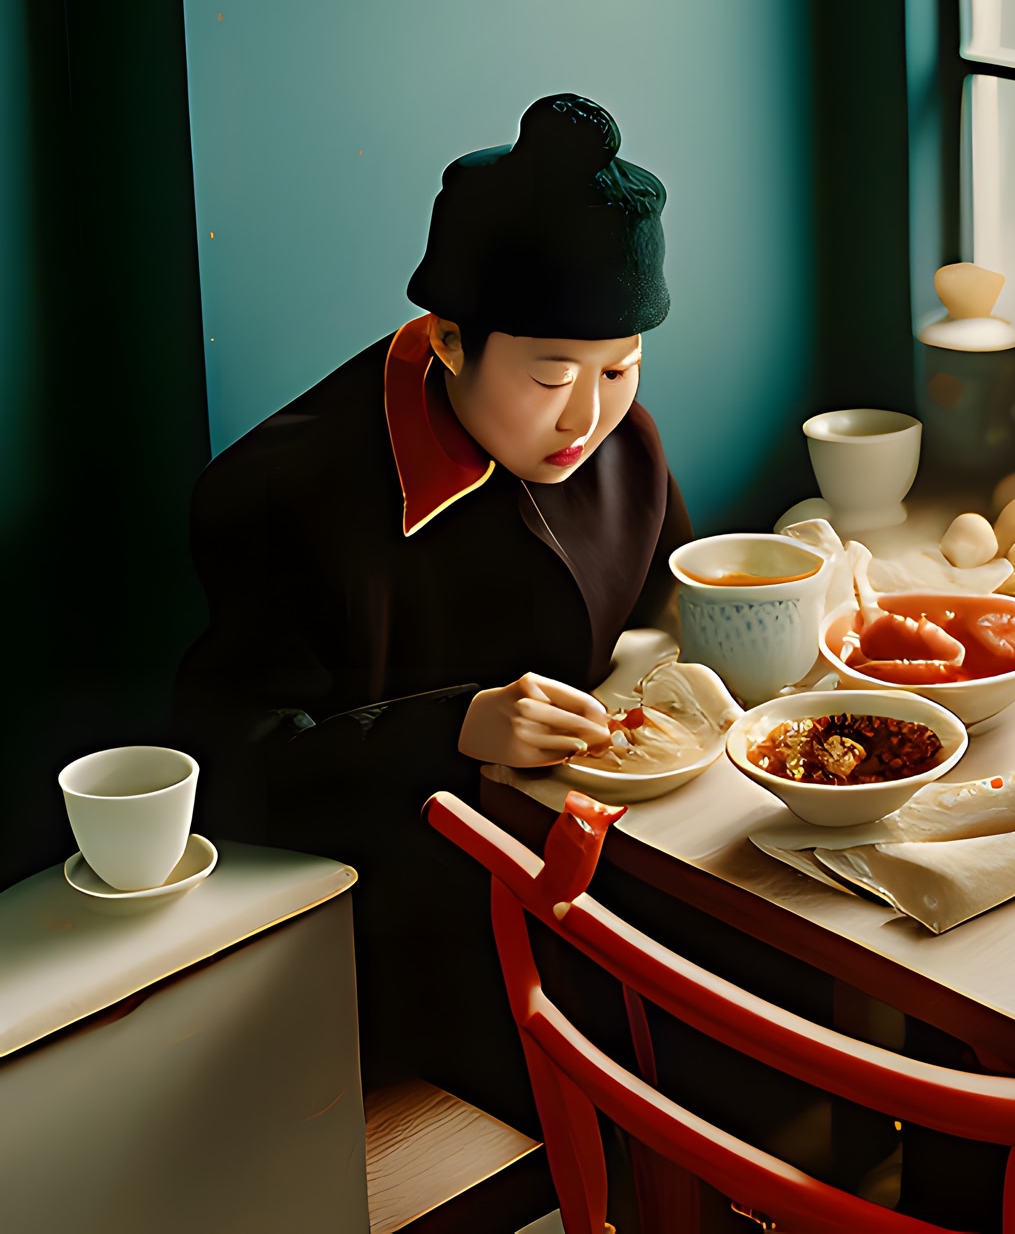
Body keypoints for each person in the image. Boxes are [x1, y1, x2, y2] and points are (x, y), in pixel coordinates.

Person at [174, 94, 692, 1115]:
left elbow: (668, 617)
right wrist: (449, 729)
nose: (588, 415)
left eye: (620, 369)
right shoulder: (286, 496)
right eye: (551, 375)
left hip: (611, 864)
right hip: (413, 944)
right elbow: (230, 772)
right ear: (449, 341)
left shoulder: (617, 440)